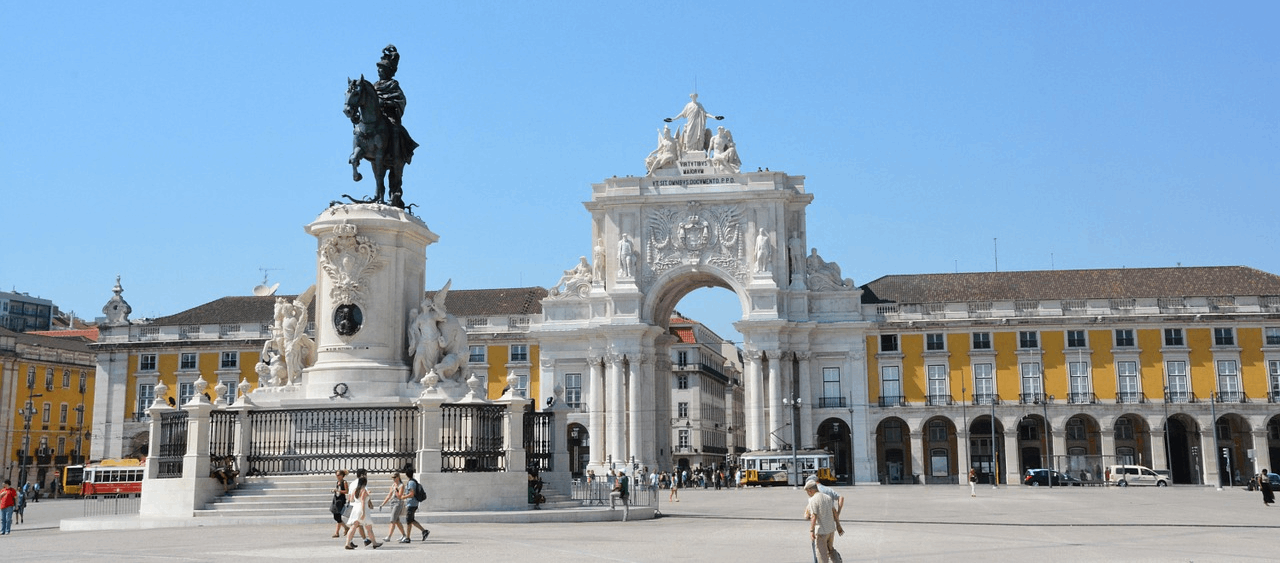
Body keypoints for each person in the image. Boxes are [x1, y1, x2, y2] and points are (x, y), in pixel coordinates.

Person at [804, 480, 843, 563]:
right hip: (831, 530)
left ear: (810, 490)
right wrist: (838, 525)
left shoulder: (813, 500)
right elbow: (834, 512)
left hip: (821, 532)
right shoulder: (827, 497)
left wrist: (811, 531)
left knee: (822, 555)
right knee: (831, 549)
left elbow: (813, 516)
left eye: (807, 491)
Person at [342, 469, 382, 549]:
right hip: (362, 508)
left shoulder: (355, 490)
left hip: (355, 508)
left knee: (353, 526)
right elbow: (363, 501)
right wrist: (363, 512)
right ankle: (374, 543)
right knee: (369, 527)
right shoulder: (363, 490)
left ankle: (347, 543)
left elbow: (351, 498)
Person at [400, 466, 430, 542]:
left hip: (412, 503)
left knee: (409, 520)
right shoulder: (413, 481)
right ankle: (422, 532)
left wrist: (403, 497)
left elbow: (412, 494)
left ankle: (408, 537)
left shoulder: (411, 483)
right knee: (411, 520)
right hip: (413, 503)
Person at [378, 472, 408, 543]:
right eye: (392, 478)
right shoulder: (393, 485)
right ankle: (404, 535)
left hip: (398, 503)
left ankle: (389, 536)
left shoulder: (401, 485)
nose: (393, 479)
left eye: (394, 477)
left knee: (392, 520)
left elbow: (400, 496)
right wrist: (383, 504)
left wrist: (396, 489)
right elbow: (389, 495)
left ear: (398, 477)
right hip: (392, 503)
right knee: (397, 521)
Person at [330, 470, 350, 538]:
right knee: (337, 516)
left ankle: (345, 528)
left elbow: (347, 491)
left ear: (342, 476)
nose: (337, 476)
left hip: (340, 500)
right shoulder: (337, 482)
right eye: (336, 475)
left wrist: (338, 491)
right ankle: (337, 532)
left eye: (338, 475)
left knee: (337, 516)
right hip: (336, 499)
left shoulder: (344, 482)